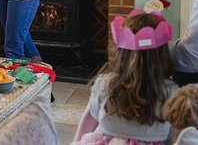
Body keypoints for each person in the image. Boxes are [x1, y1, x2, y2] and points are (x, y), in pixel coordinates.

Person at [73, 10, 178, 144]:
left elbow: (91, 117)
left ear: (121, 52)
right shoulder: (171, 91)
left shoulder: (105, 84)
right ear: (162, 54)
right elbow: (175, 136)